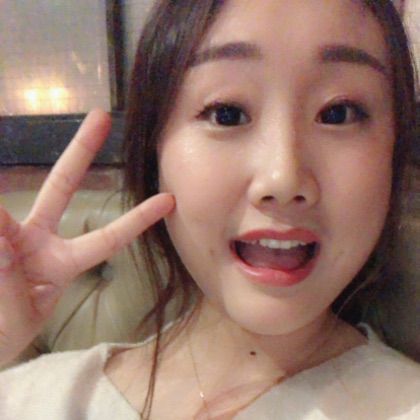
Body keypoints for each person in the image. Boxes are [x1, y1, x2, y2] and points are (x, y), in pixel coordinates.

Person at [0, 0, 419, 418]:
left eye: (338, 113)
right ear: (156, 154)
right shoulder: (35, 398)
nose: (283, 178)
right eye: (227, 114)